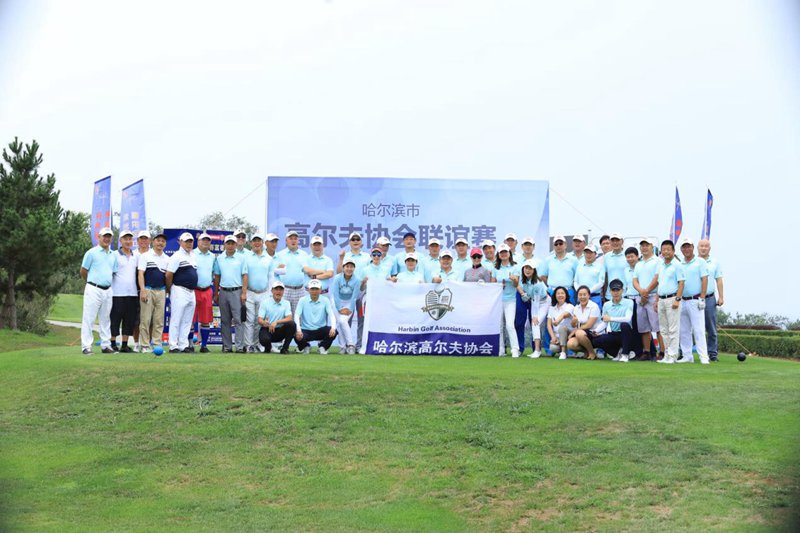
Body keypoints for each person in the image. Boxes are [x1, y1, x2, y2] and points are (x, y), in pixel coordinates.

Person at [79, 227, 118, 354]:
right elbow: (83, 271)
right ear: (99, 237)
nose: (107, 239)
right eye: (104, 236)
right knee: (89, 318)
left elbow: (113, 272)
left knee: (106, 319)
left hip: (108, 290)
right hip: (93, 288)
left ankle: (106, 345)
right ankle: (86, 346)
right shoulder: (91, 253)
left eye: (109, 237)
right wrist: (91, 282)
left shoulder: (113, 255)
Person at [244, 233, 284, 353]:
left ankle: (257, 344)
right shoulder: (247, 257)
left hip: (264, 293)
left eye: (259, 241)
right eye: (254, 241)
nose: (257, 243)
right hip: (250, 292)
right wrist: (244, 292)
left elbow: (271, 277)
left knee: (259, 321)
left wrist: (271, 294)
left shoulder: (268, 259)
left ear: (262, 243)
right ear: (251, 243)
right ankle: (248, 345)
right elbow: (244, 275)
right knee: (249, 321)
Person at [213, 235, 249, 353]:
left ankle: (239, 346)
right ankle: (227, 346)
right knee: (225, 321)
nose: (230, 246)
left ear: (236, 244)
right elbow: (217, 276)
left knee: (238, 320)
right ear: (224, 244)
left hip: (237, 291)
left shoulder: (241, 258)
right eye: (228, 243)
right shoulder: (219, 258)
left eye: (232, 243)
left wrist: (244, 293)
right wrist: (216, 293)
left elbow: (245, 275)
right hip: (223, 291)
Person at [677, 237, 710, 364]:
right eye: (684, 247)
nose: (686, 249)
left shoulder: (700, 262)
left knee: (698, 329)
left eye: (688, 246)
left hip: (695, 300)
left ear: (692, 248)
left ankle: (703, 357)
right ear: (681, 249)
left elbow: (705, 279)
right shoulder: (680, 264)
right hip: (682, 300)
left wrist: (702, 297)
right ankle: (687, 356)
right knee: (684, 330)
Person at [337, 231, 369, 352]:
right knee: (345, 319)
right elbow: (338, 272)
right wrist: (341, 258)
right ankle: (345, 345)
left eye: (357, 239)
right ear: (349, 242)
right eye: (353, 239)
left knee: (362, 320)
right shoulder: (345, 256)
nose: (355, 241)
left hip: (363, 292)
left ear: (361, 242)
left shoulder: (367, 257)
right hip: (348, 293)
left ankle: (359, 345)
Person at [165, 232, 198, 353]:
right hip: (179, 289)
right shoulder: (176, 256)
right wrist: (170, 288)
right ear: (180, 242)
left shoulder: (193, 256)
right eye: (186, 241)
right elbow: (169, 274)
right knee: (176, 318)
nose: (189, 244)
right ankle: (173, 345)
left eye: (190, 242)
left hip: (191, 291)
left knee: (187, 320)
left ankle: (183, 345)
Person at [137, 232, 169, 353]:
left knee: (159, 320)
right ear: (153, 242)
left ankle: (156, 344)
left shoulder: (167, 259)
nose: (160, 243)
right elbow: (140, 274)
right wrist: (143, 290)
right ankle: (145, 345)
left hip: (161, 291)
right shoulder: (145, 256)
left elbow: (167, 277)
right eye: (158, 240)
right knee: (145, 319)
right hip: (148, 289)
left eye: (163, 241)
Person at [654, 240, 685, 364]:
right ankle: (667, 354)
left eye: (668, 249)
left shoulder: (677, 265)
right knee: (663, 329)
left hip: (672, 299)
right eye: (663, 249)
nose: (666, 252)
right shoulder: (660, 265)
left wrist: (677, 299)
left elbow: (681, 283)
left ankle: (673, 355)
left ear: (673, 251)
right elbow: (659, 284)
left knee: (673, 329)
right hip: (661, 299)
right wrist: (657, 300)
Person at [632, 237, 663, 361]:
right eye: (642, 245)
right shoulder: (638, 264)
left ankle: (662, 352)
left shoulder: (658, 261)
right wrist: (642, 291)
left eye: (647, 245)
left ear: (652, 247)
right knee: (643, 327)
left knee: (658, 326)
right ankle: (647, 351)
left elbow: (657, 278)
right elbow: (635, 280)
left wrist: (646, 291)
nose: (644, 248)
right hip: (641, 297)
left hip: (653, 296)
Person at [110, 230, 138, 353]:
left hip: (132, 293)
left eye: (130, 239)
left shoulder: (135, 256)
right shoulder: (114, 255)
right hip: (117, 293)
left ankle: (124, 345)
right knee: (115, 319)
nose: (128, 241)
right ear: (120, 241)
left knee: (129, 320)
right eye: (125, 239)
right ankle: (112, 343)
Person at [593, 279, 635, 362]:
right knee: (596, 340)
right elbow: (605, 322)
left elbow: (628, 319)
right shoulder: (606, 305)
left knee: (624, 325)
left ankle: (625, 354)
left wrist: (611, 318)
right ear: (610, 291)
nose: (616, 293)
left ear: (622, 290)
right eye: (613, 290)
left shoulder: (629, 302)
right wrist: (596, 331)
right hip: (614, 334)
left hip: (626, 334)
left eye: (618, 290)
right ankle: (617, 353)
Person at [294, 279, 338, 354]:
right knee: (295, 334)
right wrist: (298, 330)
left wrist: (333, 328)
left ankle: (322, 347)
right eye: (312, 289)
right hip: (306, 330)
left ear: (320, 289)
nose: (314, 291)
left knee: (334, 331)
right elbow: (297, 315)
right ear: (308, 289)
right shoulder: (302, 300)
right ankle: (305, 346)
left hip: (320, 330)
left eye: (316, 289)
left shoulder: (325, 300)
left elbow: (331, 315)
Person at [492, 243, 520, 357]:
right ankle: (501, 349)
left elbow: (516, 285)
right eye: (501, 252)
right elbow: (492, 284)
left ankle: (515, 349)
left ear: (509, 254)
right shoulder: (495, 268)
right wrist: (499, 286)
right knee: (499, 326)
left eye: (505, 252)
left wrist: (514, 280)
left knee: (509, 325)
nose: (503, 254)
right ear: (498, 255)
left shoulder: (515, 267)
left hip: (510, 300)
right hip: (498, 301)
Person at [698, 239, 724, 362]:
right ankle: (684, 352)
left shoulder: (715, 262)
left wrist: (721, 296)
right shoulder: (693, 261)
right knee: (690, 327)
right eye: (701, 246)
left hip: (709, 298)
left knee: (711, 327)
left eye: (706, 246)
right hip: (694, 298)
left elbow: (719, 280)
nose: (703, 248)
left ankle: (712, 353)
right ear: (697, 248)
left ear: (710, 248)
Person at [516, 259, 548, 358]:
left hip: (544, 303)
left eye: (530, 268)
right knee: (535, 323)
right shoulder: (524, 280)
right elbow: (520, 287)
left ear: (534, 270)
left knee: (535, 322)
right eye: (526, 268)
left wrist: (534, 315)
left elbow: (536, 301)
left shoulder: (537, 283)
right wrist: (523, 294)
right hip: (534, 302)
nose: (527, 270)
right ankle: (537, 350)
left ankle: (537, 350)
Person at [275, 230, 309, 317]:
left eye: (295, 239)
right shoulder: (280, 255)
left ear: (298, 240)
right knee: (283, 316)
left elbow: (307, 272)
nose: (293, 241)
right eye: (291, 239)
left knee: (299, 317)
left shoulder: (304, 254)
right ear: (286, 241)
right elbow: (275, 273)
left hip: (300, 290)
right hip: (285, 290)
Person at [331, 258, 362, 354]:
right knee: (340, 323)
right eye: (347, 266)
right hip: (337, 302)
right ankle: (343, 347)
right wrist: (340, 308)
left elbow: (354, 297)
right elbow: (335, 295)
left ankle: (350, 345)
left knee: (342, 321)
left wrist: (350, 309)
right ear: (343, 268)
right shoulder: (337, 278)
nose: (349, 269)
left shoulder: (357, 280)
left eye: (351, 267)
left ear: (354, 268)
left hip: (349, 302)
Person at [566, 285, 605, 360]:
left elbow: (589, 325)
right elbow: (574, 325)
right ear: (577, 296)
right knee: (570, 344)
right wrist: (573, 322)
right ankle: (587, 351)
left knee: (579, 333)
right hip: (583, 333)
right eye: (580, 295)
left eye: (584, 294)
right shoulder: (576, 308)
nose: (582, 297)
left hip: (595, 333)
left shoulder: (594, 306)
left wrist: (575, 331)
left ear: (589, 295)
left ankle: (592, 353)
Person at [193, 232, 216, 353]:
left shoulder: (212, 256)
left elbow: (214, 273)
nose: (205, 242)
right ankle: (189, 345)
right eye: (203, 240)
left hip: (207, 290)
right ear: (198, 242)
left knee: (205, 320)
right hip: (193, 290)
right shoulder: (192, 253)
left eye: (208, 240)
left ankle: (204, 345)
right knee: (190, 319)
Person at [258, 280, 297, 354]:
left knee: (292, 324)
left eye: (281, 290)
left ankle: (285, 348)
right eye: (276, 289)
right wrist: (265, 323)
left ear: (283, 291)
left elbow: (289, 318)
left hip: (280, 330)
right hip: (268, 329)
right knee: (264, 339)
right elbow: (260, 320)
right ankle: (268, 347)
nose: (278, 292)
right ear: (272, 290)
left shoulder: (286, 303)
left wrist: (276, 322)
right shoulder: (265, 302)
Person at [513, 237, 537, 353]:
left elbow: (540, 279)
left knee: (535, 322)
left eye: (530, 245)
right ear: (522, 246)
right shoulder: (516, 260)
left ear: (533, 247)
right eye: (525, 245)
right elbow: (516, 280)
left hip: (534, 295)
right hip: (520, 293)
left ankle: (536, 348)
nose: (528, 247)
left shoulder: (538, 261)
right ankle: (520, 348)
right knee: (519, 322)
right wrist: (522, 293)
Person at [540, 235, 578, 301]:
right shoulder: (548, 260)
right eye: (556, 244)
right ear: (553, 246)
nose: (558, 246)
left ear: (565, 245)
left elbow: (576, 276)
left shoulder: (574, 260)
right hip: (552, 292)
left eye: (560, 243)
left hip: (568, 292)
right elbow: (543, 276)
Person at [623, 246, 644, 358]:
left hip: (639, 298)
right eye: (628, 257)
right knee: (632, 326)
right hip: (628, 299)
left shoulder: (641, 268)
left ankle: (645, 351)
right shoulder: (626, 270)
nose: (630, 259)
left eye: (632, 256)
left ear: (637, 256)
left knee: (640, 326)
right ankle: (636, 351)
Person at [131, 230, 151, 352]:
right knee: (136, 320)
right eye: (141, 239)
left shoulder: (153, 254)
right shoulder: (133, 254)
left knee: (149, 319)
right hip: (135, 290)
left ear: (149, 241)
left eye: (146, 238)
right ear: (137, 241)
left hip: (150, 290)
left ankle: (147, 343)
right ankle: (136, 343)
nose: (143, 241)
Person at [547, 286, 574, 359]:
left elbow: (564, 314)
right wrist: (553, 337)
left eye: (562, 293)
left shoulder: (570, 306)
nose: (560, 295)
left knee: (562, 328)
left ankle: (563, 352)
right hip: (557, 336)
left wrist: (557, 321)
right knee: (553, 348)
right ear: (555, 295)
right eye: (558, 293)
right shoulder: (552, 308)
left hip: (569, 334)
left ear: (566, 295)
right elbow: (549, 324)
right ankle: (564, 349)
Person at [603, 233, 627, 301]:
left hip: (625, 294)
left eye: (617, 240)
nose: (615, 243)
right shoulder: (607, 256)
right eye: (613, 241)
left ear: (622, 241)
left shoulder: (627, 255)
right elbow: (605, 276)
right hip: (609, 295)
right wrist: (604, 294)